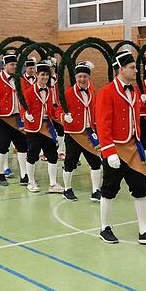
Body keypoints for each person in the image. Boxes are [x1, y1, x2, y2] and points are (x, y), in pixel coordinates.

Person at [95, 51, 146, 245]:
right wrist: (109, 151)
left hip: (133, 148)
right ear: (121, 69)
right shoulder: (106, 92)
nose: (135, 71)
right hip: (115, 149)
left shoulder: (134, 90)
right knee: (109, 189)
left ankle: (144, 230)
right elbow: (103, 123)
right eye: (132, 68)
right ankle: (104, 227)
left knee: (140, 188)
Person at [20, 61, 64, 193]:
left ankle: (53, 183)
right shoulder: (28, 92)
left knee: (52, 155)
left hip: (47, 127)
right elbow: (22, 108)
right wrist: (26, 115)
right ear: (37, 75)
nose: (45, 77)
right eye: (42, 75)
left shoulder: (50, 91)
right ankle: (31, 181)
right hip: (33, 128)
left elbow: (53, 109)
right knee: (32, 155)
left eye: (47, 75)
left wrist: (61, 115)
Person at [61, 61, 103, 202]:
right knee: (70, 162)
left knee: (96, 161)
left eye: (85, 76)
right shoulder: (68, 93)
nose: (82, 79)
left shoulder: (92, 92)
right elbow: (57, 109)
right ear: (76, 77)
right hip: (73, 133)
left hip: (89, 132)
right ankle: (67, 189)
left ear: (88, 77)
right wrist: (64, 116)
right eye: (79, 76)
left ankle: (96, 190)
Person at [0, 49, 30, 186]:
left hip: (19, 118)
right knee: (2, 146)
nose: (14, 67)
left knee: (22, 146)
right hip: (3, 118)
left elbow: (27, 96)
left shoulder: (21, 79)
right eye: (12, 64)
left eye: (16, 64)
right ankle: (0, 174)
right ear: (5, 65)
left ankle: (24, 174)